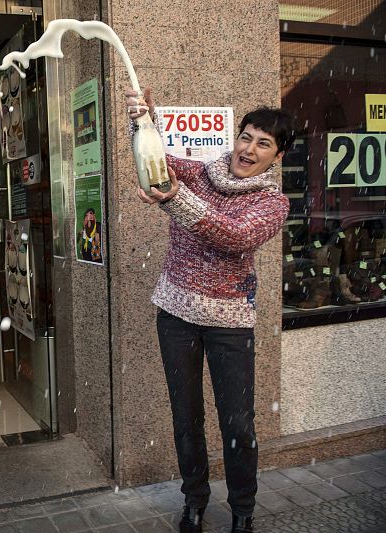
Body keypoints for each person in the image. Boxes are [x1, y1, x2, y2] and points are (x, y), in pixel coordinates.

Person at [126, 89, 295, 533]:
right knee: (187, 418)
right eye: (246, 136)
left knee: (238, 423)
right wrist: (142, 119)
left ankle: (243, 512)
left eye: (263, 144)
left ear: (277, 156)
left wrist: (171, 200)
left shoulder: (272, 203)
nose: (248, 149)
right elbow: (155, 160)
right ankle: (194, 502)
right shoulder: (201, 173)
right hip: (176, 316)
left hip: (230, 325)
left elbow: (232, 235)